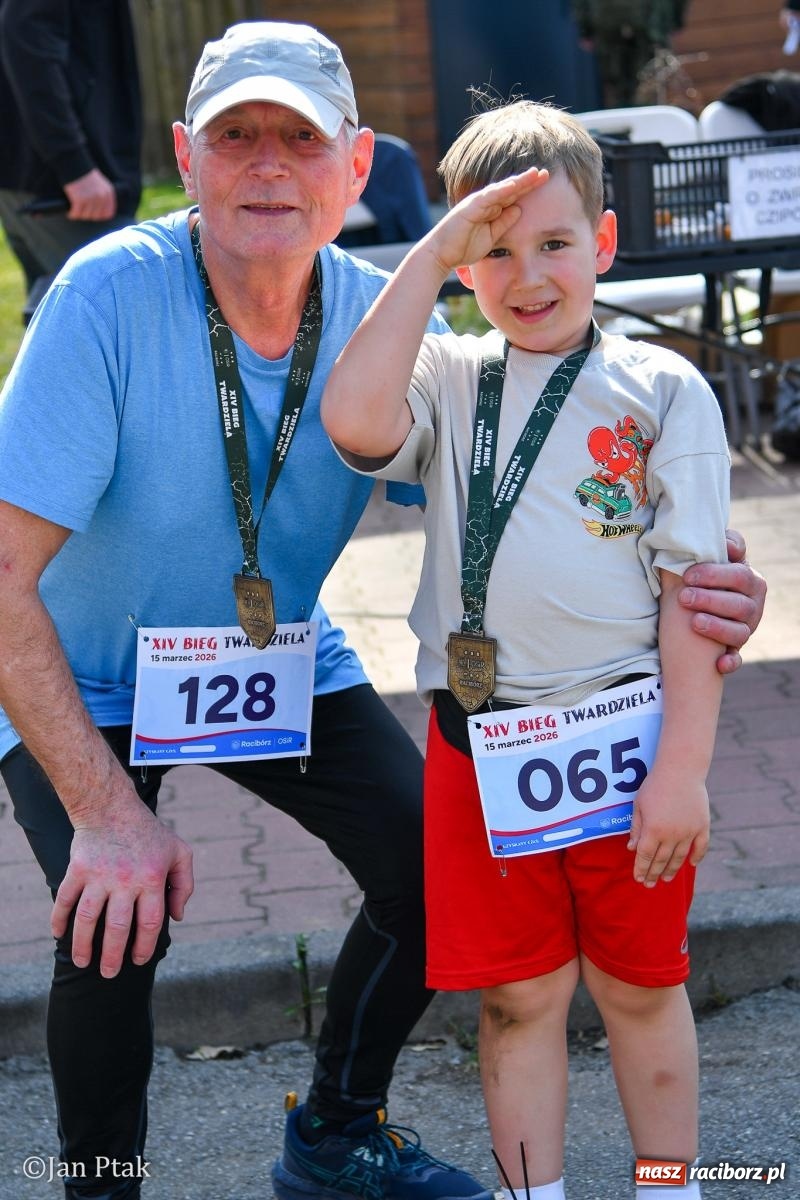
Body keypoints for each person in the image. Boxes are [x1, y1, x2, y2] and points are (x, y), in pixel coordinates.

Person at [0, 20, 764, 1200]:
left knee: (429, 870)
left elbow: (532, 484)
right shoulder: (104, 296)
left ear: (354, 165)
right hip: (82, 669)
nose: (268, 164)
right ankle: (99, 1185)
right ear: (184, 157)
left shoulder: (387, 317)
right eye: (236, 137)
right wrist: (105, 815)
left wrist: (703, 576)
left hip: (272, 657)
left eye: (300, 139)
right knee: (112, 918)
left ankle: (332, 1132)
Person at [322, 100, 741, 1199]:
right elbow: (354, 421)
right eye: (495, 251)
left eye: (555, 242)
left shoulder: (663, 390)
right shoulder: (448, 376)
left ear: (603, 242)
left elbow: (695, 600)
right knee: (517, 998)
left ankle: (670, 1186)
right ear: (463, 264)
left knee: (640, 988)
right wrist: (427, 258)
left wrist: (682, 772)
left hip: (626, 751)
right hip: (481, 749)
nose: (528, 276)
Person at [0, 0, 142, 322]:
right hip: (64, 188)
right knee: (131, 305)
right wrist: (75, 167)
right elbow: (25, 36)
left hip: (47, 180)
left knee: (66, 322)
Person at [572, 0, 688, 107]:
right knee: (647, 82)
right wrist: (675, 21)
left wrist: (585, 29)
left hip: (615, 22)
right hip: (645, 23)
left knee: (624, 86)